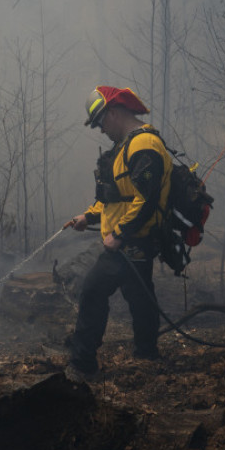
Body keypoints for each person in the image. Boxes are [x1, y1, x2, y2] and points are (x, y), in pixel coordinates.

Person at [61, 85, 172, 380]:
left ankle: (83, 365)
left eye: (100, 122)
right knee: (140, 295)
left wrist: (119, 234)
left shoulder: (144, 145)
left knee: (93, 290)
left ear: (113, 112)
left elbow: (146, 199)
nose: (101, 130)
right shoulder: (125, 147)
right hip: (130, 238)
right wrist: (88, 215)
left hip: (132, 239)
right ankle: (147, 353)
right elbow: (116, 198)